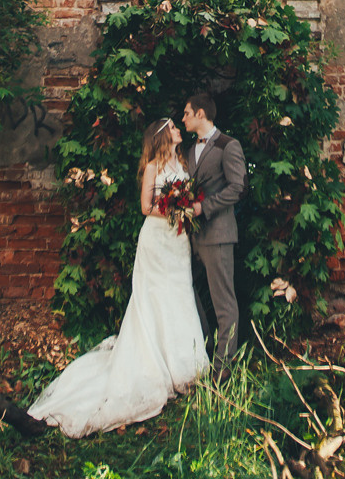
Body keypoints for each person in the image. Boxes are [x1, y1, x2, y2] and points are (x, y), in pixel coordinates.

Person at [27, 119, 208, 437]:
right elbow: (145, 206)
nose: (180, 128)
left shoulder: (180, 162)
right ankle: (156, 364)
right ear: (163, 135)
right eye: (174, 127)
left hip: (177, 242)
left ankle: (184, 365)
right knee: (155, 298)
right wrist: (174, 208)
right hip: (157, 240)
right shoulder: (153, 165)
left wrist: (184, 208)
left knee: (179, 294)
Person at [180, 93, 246, 375]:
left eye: (186, 113)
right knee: (183, 288)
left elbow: (238, 188)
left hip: (218, 235)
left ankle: (223, 369)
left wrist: (202, 208)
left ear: (201, 114)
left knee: (224, 303)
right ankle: (206, 349)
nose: (182, 118)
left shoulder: (228, 145)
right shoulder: (188, 149)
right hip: (192, 237)